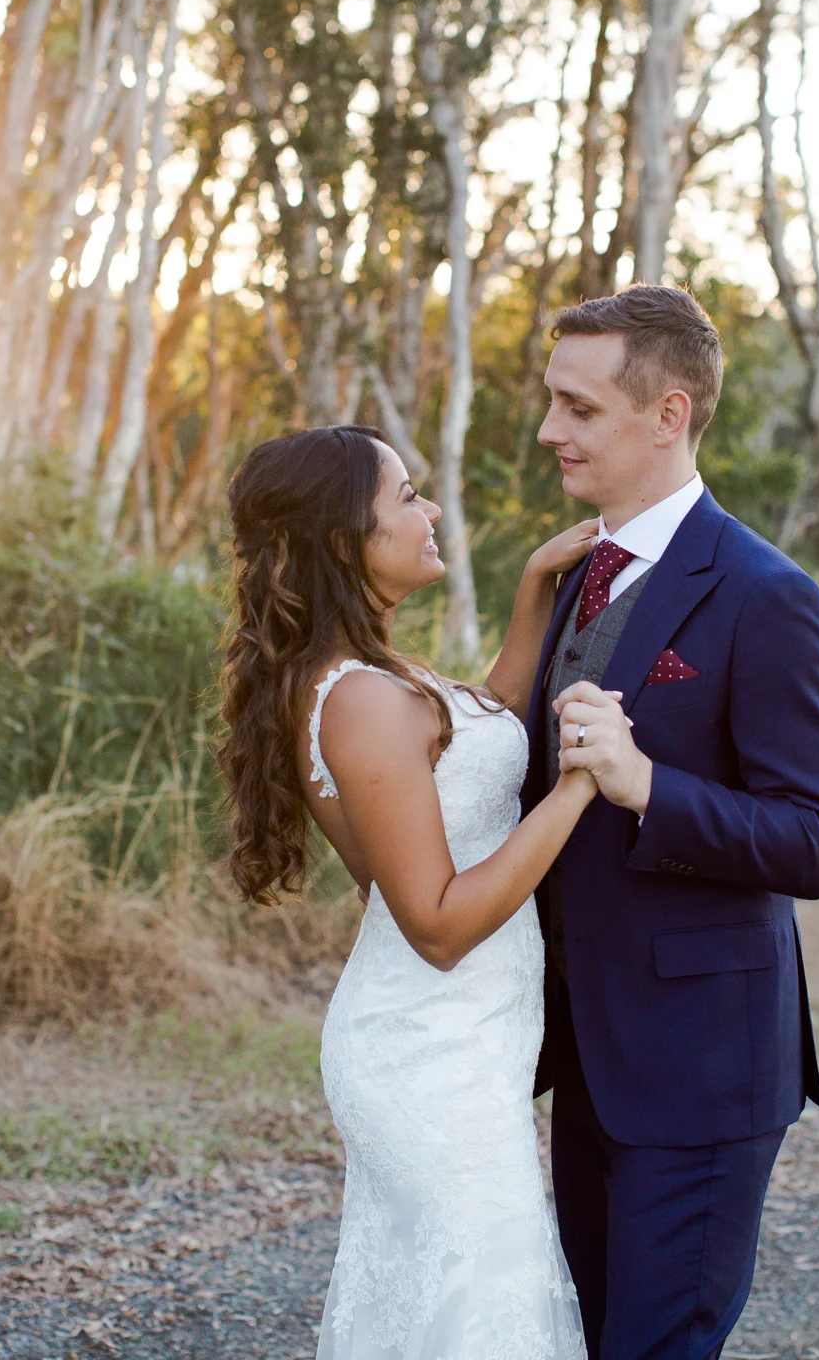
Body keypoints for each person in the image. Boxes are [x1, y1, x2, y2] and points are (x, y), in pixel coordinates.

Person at [217, 422, 607, 1359]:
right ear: (345, 537)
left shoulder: (373, 680)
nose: (429, 511)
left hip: (459, 1044)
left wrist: (533, 596)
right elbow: (435, 923)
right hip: (430, 1055)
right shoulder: (359, 699)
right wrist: (580, 788)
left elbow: (477, 740)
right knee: (483, 1308)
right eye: (406, 497)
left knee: (460, 1311)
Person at [531, 285, 819, 1359]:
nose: (549, 430)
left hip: (702, 1066)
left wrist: (648, 785)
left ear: (667, 414)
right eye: (553, 404)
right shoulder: (576, 572)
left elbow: (816, 839)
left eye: (579, 408)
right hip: (584, 1054)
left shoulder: (767, 594)